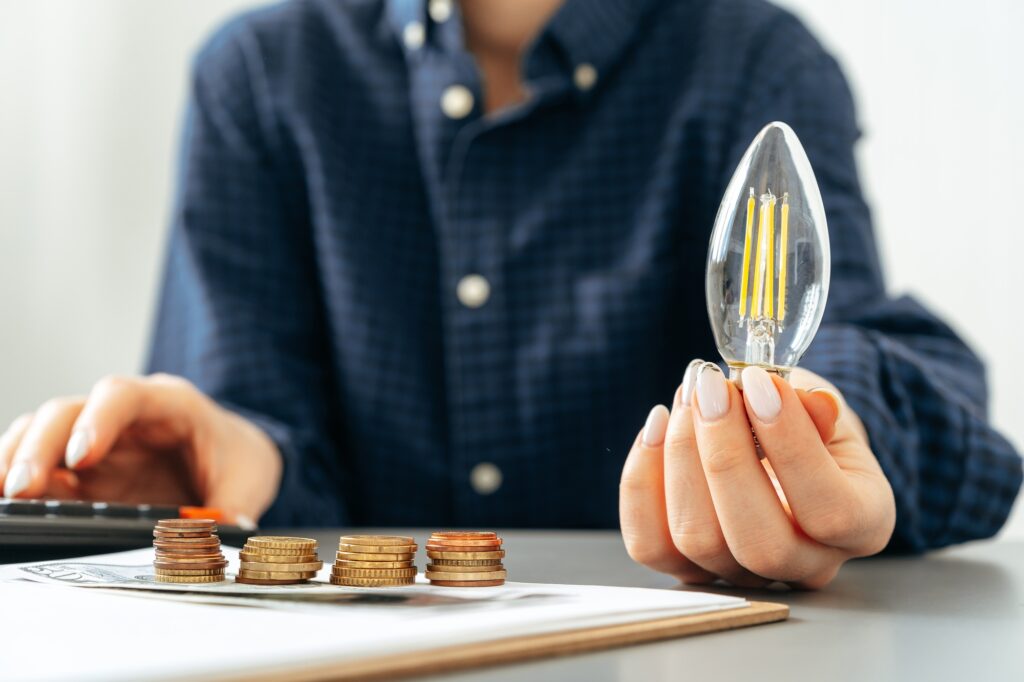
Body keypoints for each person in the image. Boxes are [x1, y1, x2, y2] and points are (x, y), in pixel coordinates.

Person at [0, 0, 1020, 588]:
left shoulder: (755, 63)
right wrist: (234, 458)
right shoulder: (256, 78)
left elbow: (855, 348)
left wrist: (829, 435)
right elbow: (263, 425)